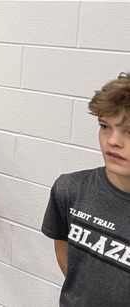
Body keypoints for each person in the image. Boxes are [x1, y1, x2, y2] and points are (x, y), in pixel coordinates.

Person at [42, 72, 130, 306]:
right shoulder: (70, 189)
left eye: (129, 131)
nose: (113, 141)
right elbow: (65, 250)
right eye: (104, 126)